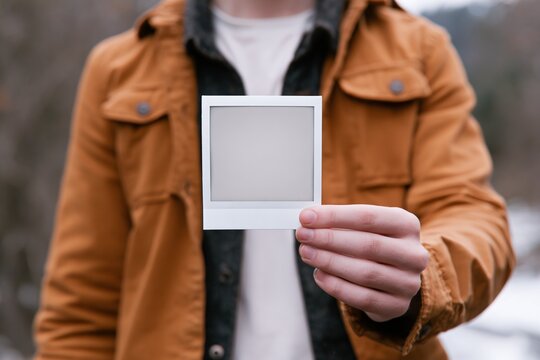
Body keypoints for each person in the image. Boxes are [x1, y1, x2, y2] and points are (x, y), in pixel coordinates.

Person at [34, 0, 515, 359]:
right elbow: (80, 307)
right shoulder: (118, 71)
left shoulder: (420, 52)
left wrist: (422, 275)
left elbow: (475, 217)